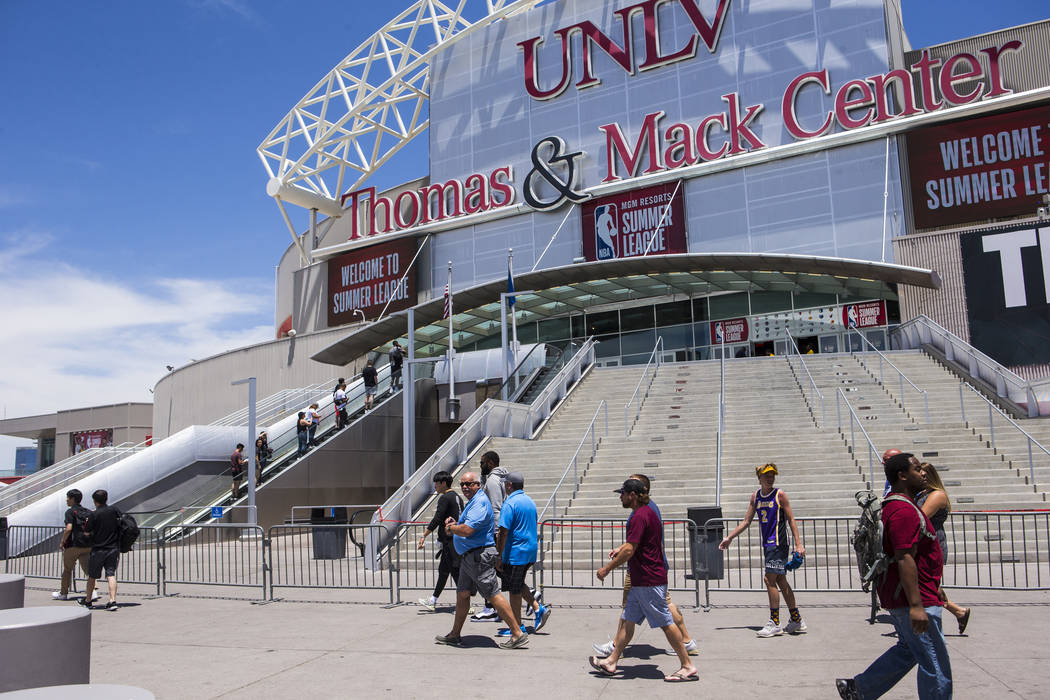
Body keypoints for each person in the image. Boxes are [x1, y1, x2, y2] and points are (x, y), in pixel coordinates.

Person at [837, 453, 952, 699]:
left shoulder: (900, 506)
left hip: (912, 593)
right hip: (913, 598)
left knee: (909, 650)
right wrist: (917, 605)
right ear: (902, 476)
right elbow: (904, 558)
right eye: (917, 469)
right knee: (935, 665)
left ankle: (860, 689)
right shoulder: (902, 510)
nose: (923, 473)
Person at [588, 479, 698, 682]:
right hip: (642, 580)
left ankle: (687, 665)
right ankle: (612, 661)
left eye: (622, 493)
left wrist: (607, 569)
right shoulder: (646, 512)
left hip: (649, 579)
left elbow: (631, 548)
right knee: (628, 622)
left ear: (632, 495)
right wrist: (622, 548)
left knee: (665, 622)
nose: (620, 497)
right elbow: (634, 543)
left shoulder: (640, 515)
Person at [434, 471, 529, 649]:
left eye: (469, 484)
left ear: (478, 485)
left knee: (493, 594)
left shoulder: (479, 503)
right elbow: (467, 524)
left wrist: (451, 528)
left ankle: (517, 633)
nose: (465, 487)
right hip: (469, 557)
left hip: (479, 556)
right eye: (462, 484)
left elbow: (468, 530)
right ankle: (455, 634)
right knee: (462, 594)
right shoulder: (474, 502)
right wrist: (456, 523)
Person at [719, 463, 807, 637]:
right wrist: (729, 537)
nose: (770, 477)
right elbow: (746, 521)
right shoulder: (756, 497)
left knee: (769, 579)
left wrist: (798, 544)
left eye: (772, 475)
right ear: (759, 477)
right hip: (768, 544)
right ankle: (796, 619)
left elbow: (791, 519)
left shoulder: (779, 495)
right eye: (766, 475)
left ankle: (775, 622)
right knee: (780, 580)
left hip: (778, 543)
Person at [917, 462, 971, 633]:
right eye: (919, 474)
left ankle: (934, 625)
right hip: (921, 544)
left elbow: (920, 517)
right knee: (928, 585)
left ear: (931, 476)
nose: (921, 478)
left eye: (925, 475)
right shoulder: (920, 494)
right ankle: (959, 612)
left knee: (928, 586)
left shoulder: (937, 495)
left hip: (933, 544)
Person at [495, 472, 551, 636]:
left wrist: (499, 555)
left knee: (514, 589)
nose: (505, 487)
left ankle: (517, 626)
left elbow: (503, 531)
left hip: (515, 552)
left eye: (506, 484)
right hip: (529, 550)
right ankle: (537, 608)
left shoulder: (510, 503)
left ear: (510, 485)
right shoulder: (529, 501)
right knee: (518, 583)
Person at [472, 449, 510, 623]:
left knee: (489, 569)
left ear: (491, 463)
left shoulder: (494, 481)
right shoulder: (499, 479)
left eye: (482, 463)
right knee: (494, 569)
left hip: (494, 531)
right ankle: (490, 607)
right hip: (496, 530)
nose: (481, 466)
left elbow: (496, 508)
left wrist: (496, 533)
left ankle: (528, 593)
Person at [417, 470, 464, 611]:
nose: (435, 487)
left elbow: (437, 518)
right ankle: (433, 600)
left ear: (443, 483)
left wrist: (423, 535)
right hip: (455, 540)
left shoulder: (445, 498)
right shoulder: (457, 497)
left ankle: (466, 603)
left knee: (455, 572)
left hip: (451, 541)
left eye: (437, 484)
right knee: (444, 571)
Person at [53, 489, 98, 602]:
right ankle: (92, 592)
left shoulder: (70, 512)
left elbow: (69, 528)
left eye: (68, 498)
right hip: (87, 545)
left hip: (73, 545)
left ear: (73, 499)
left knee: (67, 570)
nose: (66, 500)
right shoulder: (88, 512)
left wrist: (62, 542)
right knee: (88, 571)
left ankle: (63, 593)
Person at [80, 489, 121, 611]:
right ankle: (112, 600)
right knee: (111, 574)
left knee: (92, 576)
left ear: (94, 501)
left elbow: (86, 532)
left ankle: (88, 601)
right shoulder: (114, 510)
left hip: (98, 549)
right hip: (113, 548)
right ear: (106, 498)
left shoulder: (93, 514)